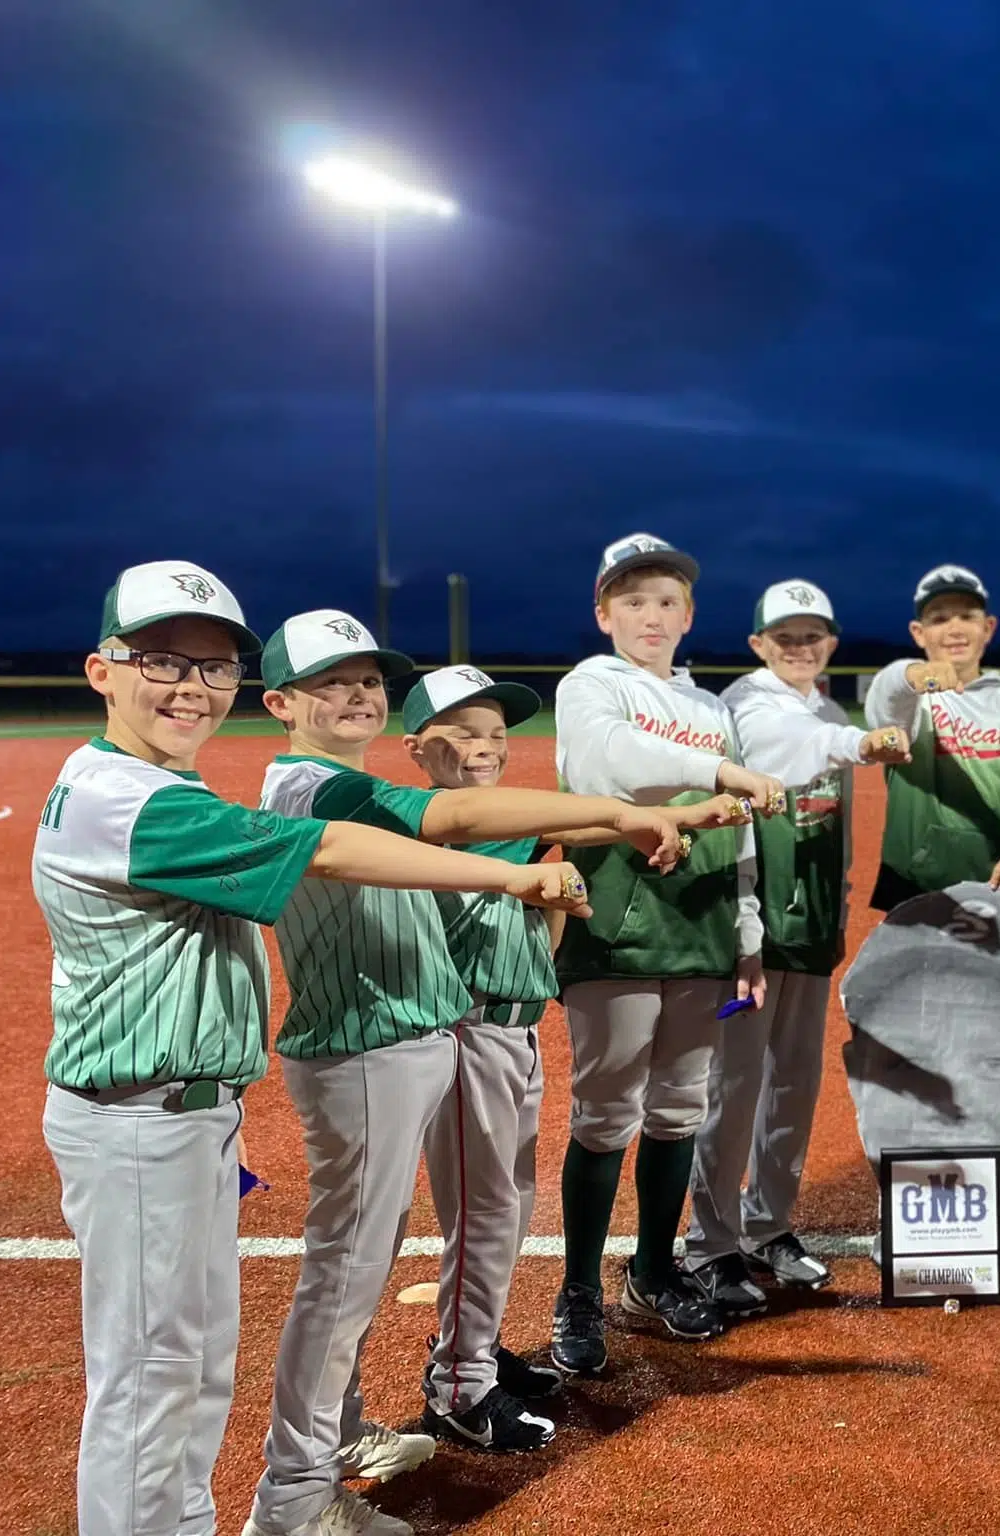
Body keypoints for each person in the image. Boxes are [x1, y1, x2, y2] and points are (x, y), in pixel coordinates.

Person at [35, 563, 592, 1536]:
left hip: (181, 1112)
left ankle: (263, 1494)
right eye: (163, 661)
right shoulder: (134, 799)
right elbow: (338, 850)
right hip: (143, 1118)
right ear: (101, 669)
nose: (191, 687)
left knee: (191, 1370)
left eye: (212, 669)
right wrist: (553, 855)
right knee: (153, 1381)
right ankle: (289, 1494)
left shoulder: (156, 783)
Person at [247, 611, 688, 1536]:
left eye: (367, 678)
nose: (357, 693)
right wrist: (612, 811)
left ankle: (337, 1437)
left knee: (363, 1265)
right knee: (346, 1272)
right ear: (282, 702)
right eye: (332, 682)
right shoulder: (312, 784)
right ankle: (295, 1493)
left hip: (402, 1043)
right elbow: (449, 818)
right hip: (365, 1046)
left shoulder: (340, 782)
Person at [398, 664, 744, 1451]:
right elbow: (504, 834)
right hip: (465, 1032)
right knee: (483, 1214)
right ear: (417, 748)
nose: (484, 747)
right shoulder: (431, 813)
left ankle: (475, 1353)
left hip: (512, 1032)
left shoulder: (508, 819)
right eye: (460, 734)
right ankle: (459, 1379)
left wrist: (678, 814)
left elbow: (580, 835)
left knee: (505, 1208)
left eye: (494, 734)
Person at [549, 533, 788, 1369]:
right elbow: (609, 761)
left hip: (702, 928)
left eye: (666, 602)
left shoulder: (713, 707)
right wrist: (717, 772)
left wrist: (749, 943)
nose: (651, 615)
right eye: (634, 600)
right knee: (606, 1110)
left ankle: (652, 1272)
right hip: (616, 921)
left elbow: (748, 837)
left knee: (681, 1103)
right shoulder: (591, 684)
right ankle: (578, 1287)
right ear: (604, 613)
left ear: (688, 617)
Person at [685, 580, 909, 1313]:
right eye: (785, 637)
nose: (800, 648)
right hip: (753, 940)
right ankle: (713, 1244)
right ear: (758, 645)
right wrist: (747, 936)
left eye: (813, 636)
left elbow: (832, 830)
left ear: (832, 643)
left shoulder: (828, 707)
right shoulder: (747, 709)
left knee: (793, 1087)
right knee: (734, 1089)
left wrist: (836, 916)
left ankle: (770, 1224)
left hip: (808, 934)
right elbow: (799, 751)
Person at [860, 564, 1000, 909]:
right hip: (912, 884)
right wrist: (913, 675)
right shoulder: (914, 702)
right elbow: (885, 701)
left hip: (999, 887)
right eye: (939, 619)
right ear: (918, 633)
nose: (954, 629)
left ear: (988, 628)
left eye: (966, 617)